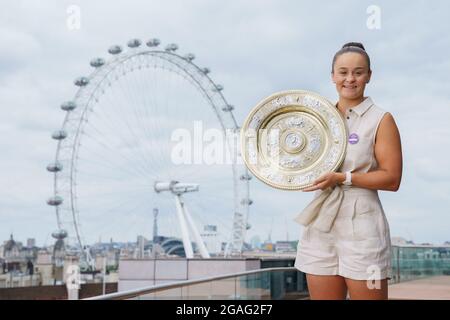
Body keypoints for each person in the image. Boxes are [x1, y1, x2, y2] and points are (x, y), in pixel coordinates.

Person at [294, 42, 403, 300]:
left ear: (369, 76)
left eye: (358, 72)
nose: (350, 79)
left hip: (363, 224)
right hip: (321, 222)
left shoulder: (381, 119)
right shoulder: (317, 119)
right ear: (332, 75)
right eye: (343, 72)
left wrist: (344, 178)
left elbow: (392, 179)